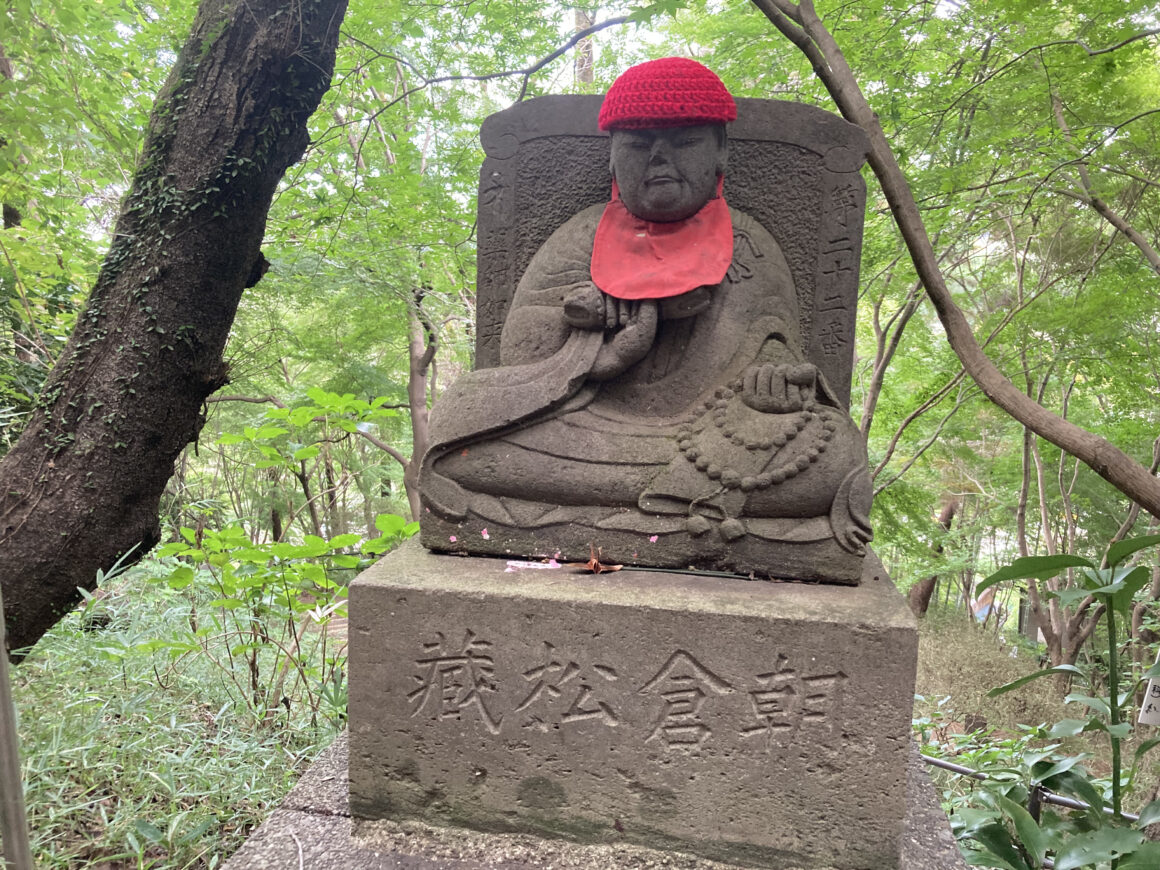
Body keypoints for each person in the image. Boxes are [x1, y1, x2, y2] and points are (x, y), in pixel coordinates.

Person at [419, 58, 871, 560]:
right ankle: (686, 502)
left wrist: (773, 384)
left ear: (721, 152)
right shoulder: (583, 235)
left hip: (715, 431)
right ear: (612, 159)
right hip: (584, 425)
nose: (659, 158)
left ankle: (629, 502)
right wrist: (601, 350)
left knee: (835, 449)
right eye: (637, 146)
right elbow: (520, 351)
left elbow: (776, 344)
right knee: (459, 420)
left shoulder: (749, 244)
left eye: (685, 143)